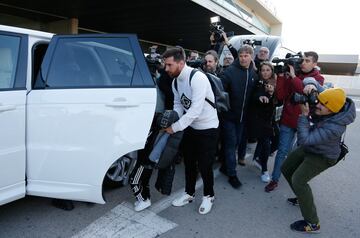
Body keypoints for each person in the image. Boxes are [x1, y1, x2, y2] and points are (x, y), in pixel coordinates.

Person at [281, 88, 356, 233]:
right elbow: (318, 88)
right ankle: (302, 197)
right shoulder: (330, 105)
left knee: (299, 180)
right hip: (313, 147)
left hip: (323, 156)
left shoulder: (335, 127)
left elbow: (305, 140)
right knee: (286, 168)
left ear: (333, 110)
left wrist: (304, 115)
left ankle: (313, 223)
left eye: (322, 105)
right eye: (319, 101)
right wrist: (310, 86)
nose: (317, 105)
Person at [162, 47, 219, 215]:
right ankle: (189, 193)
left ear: (181, 63)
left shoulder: (197, 78)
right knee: (189, 163)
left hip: (208, 128)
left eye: (169, 65)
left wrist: (174, 127)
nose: (166, 69)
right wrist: (173, 119)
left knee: (205, 165)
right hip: (191, 128)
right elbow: (179, 106)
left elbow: (195, 111)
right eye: (165, 65)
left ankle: (209, 195)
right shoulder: (175, 82)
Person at [265, 51, 325, 192]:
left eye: (307, 61)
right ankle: (274, 179)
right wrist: (281, 77)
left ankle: (294, 178)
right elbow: (281, 95)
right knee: (282, 151)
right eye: (302, 60)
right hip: (288, 119)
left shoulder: (318, 79)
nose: (303, 63)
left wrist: (293, 77)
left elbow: (304, 91)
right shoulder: (293, 74)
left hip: (305, 122)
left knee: (297, 153)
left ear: (315, 64)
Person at [220, 45, 258, 188]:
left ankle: (225, 166)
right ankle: (232, 174)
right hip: (229, 116)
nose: (243, 58)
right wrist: (225, 109)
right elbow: (220, 91)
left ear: (251, 57)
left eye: (246, 55)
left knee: (233, 144)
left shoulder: (254, 74)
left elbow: (255, 94)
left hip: (242, 118)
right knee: (231, 145)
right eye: (241, 55)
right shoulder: (230, 71)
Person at [248, 62, 278, 183]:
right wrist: (262, 97)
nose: (265, 72)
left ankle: (257, 158)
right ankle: (264, 170)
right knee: (265, 143)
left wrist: (271, 94)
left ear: (272, 71)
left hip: (272, 119)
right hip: (259, 119)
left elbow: (278, 101)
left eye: (268, 70)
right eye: (263, 70)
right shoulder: (258, 82)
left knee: (277, 140)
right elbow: (255, 94)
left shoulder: (275, 83)